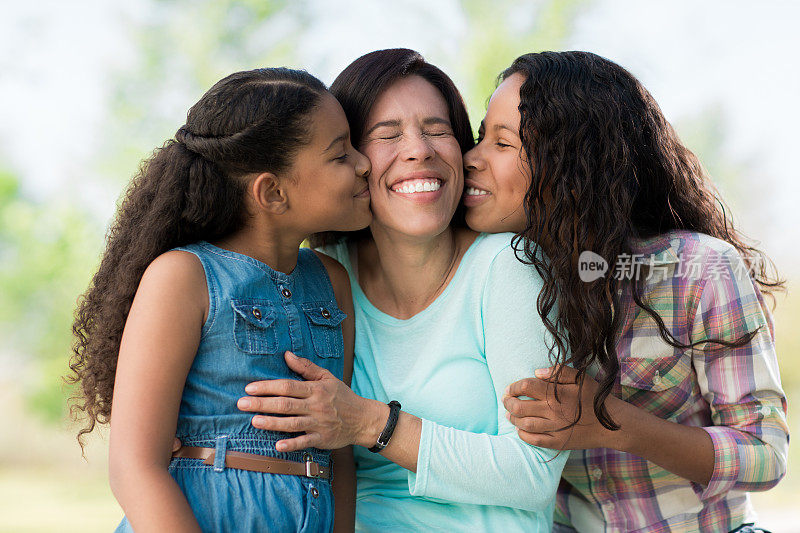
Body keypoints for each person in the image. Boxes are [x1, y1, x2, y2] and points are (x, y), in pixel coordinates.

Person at [236, 49, 568, 532]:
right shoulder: (320, 282)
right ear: (346, 159)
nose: (420, 150)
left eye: (438, 130)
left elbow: (533, 474)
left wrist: (371, 424)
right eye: (387, 135)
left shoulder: (507, 267)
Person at [463, 51, 789, 533]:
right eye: (479, 138)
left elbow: (765, 455)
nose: (472, 158)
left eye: (503, 143)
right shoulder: (496, 274)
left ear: (571, 163)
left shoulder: (697, 269)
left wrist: (610, 422)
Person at [67, 67, 372, 532]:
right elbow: (135, 468)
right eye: (340, 154)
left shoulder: (333, 280)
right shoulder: (183, 277)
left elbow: (339, 454)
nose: (363, 162)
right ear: (272, 191)